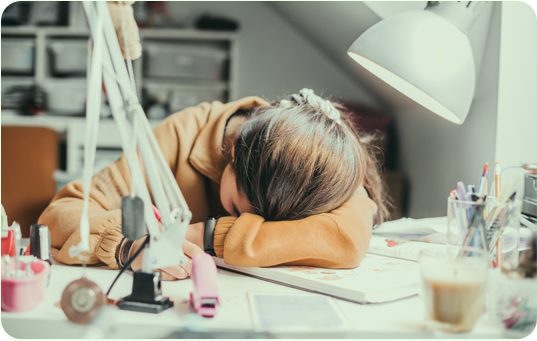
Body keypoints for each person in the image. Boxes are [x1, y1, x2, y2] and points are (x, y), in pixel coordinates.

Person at [39, 89, 390, 281]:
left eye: (270, 221)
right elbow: (60, 214)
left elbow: (347, 240)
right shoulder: (181, 134)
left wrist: (205, 236)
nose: (254, 220)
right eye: (240, 207)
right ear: (235, 149)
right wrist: (126, 243)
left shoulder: (320, 167)